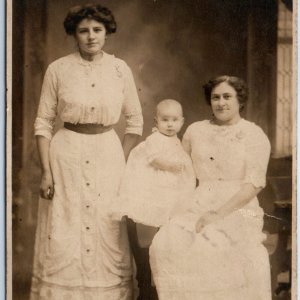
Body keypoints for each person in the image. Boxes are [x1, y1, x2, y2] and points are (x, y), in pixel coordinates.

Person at [30, 4, 143, 300]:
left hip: (108, 154)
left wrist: (119, 157)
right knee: (65, 223)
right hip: (65, 155)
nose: (91, 36)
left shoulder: (120, 69)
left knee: (108, 224)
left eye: (97, 30)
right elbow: (43, 123)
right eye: (83, 31)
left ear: (107, 32)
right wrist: (46, 171)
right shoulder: (58, 69)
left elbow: (135, 121)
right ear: (74, 34)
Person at [149, 76, 272, 299]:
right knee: (165, 242)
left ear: (240, 100)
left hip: (239, 207)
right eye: (216, 97)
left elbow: (253, 185)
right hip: (197, 200)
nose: (221, 103)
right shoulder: (195, 131)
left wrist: (216, 214)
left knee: (212, 247)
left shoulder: (254, 134)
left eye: (227, 96)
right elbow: (180, 169)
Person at [113, 99, 195, 299]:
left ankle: (161, 285)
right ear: (156, 120)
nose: (169, 124)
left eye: (174, 120)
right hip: (152, 187)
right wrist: (171, 166)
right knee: (148, 230)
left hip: (171, 191)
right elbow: (154, 158)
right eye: (165, 120)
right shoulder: (154, 139)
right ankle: (147, 285)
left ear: (182, 122)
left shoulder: (178, 142)